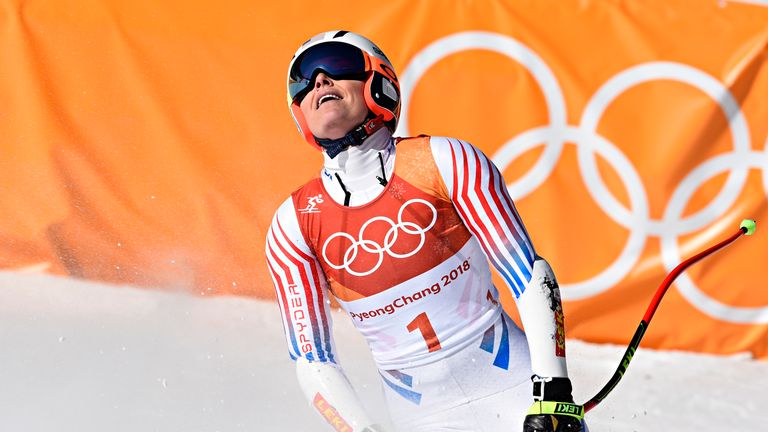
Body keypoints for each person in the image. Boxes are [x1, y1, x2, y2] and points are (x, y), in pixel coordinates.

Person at [265, 30, 587, 432]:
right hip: (423, 419)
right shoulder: (292, 224)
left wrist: (553, 390)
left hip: (517, 388)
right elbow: (313, 360)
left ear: (378, 82)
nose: (319, 81)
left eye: (337, 63)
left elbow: (528, 275)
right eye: (302, 78)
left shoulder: (446, 160)